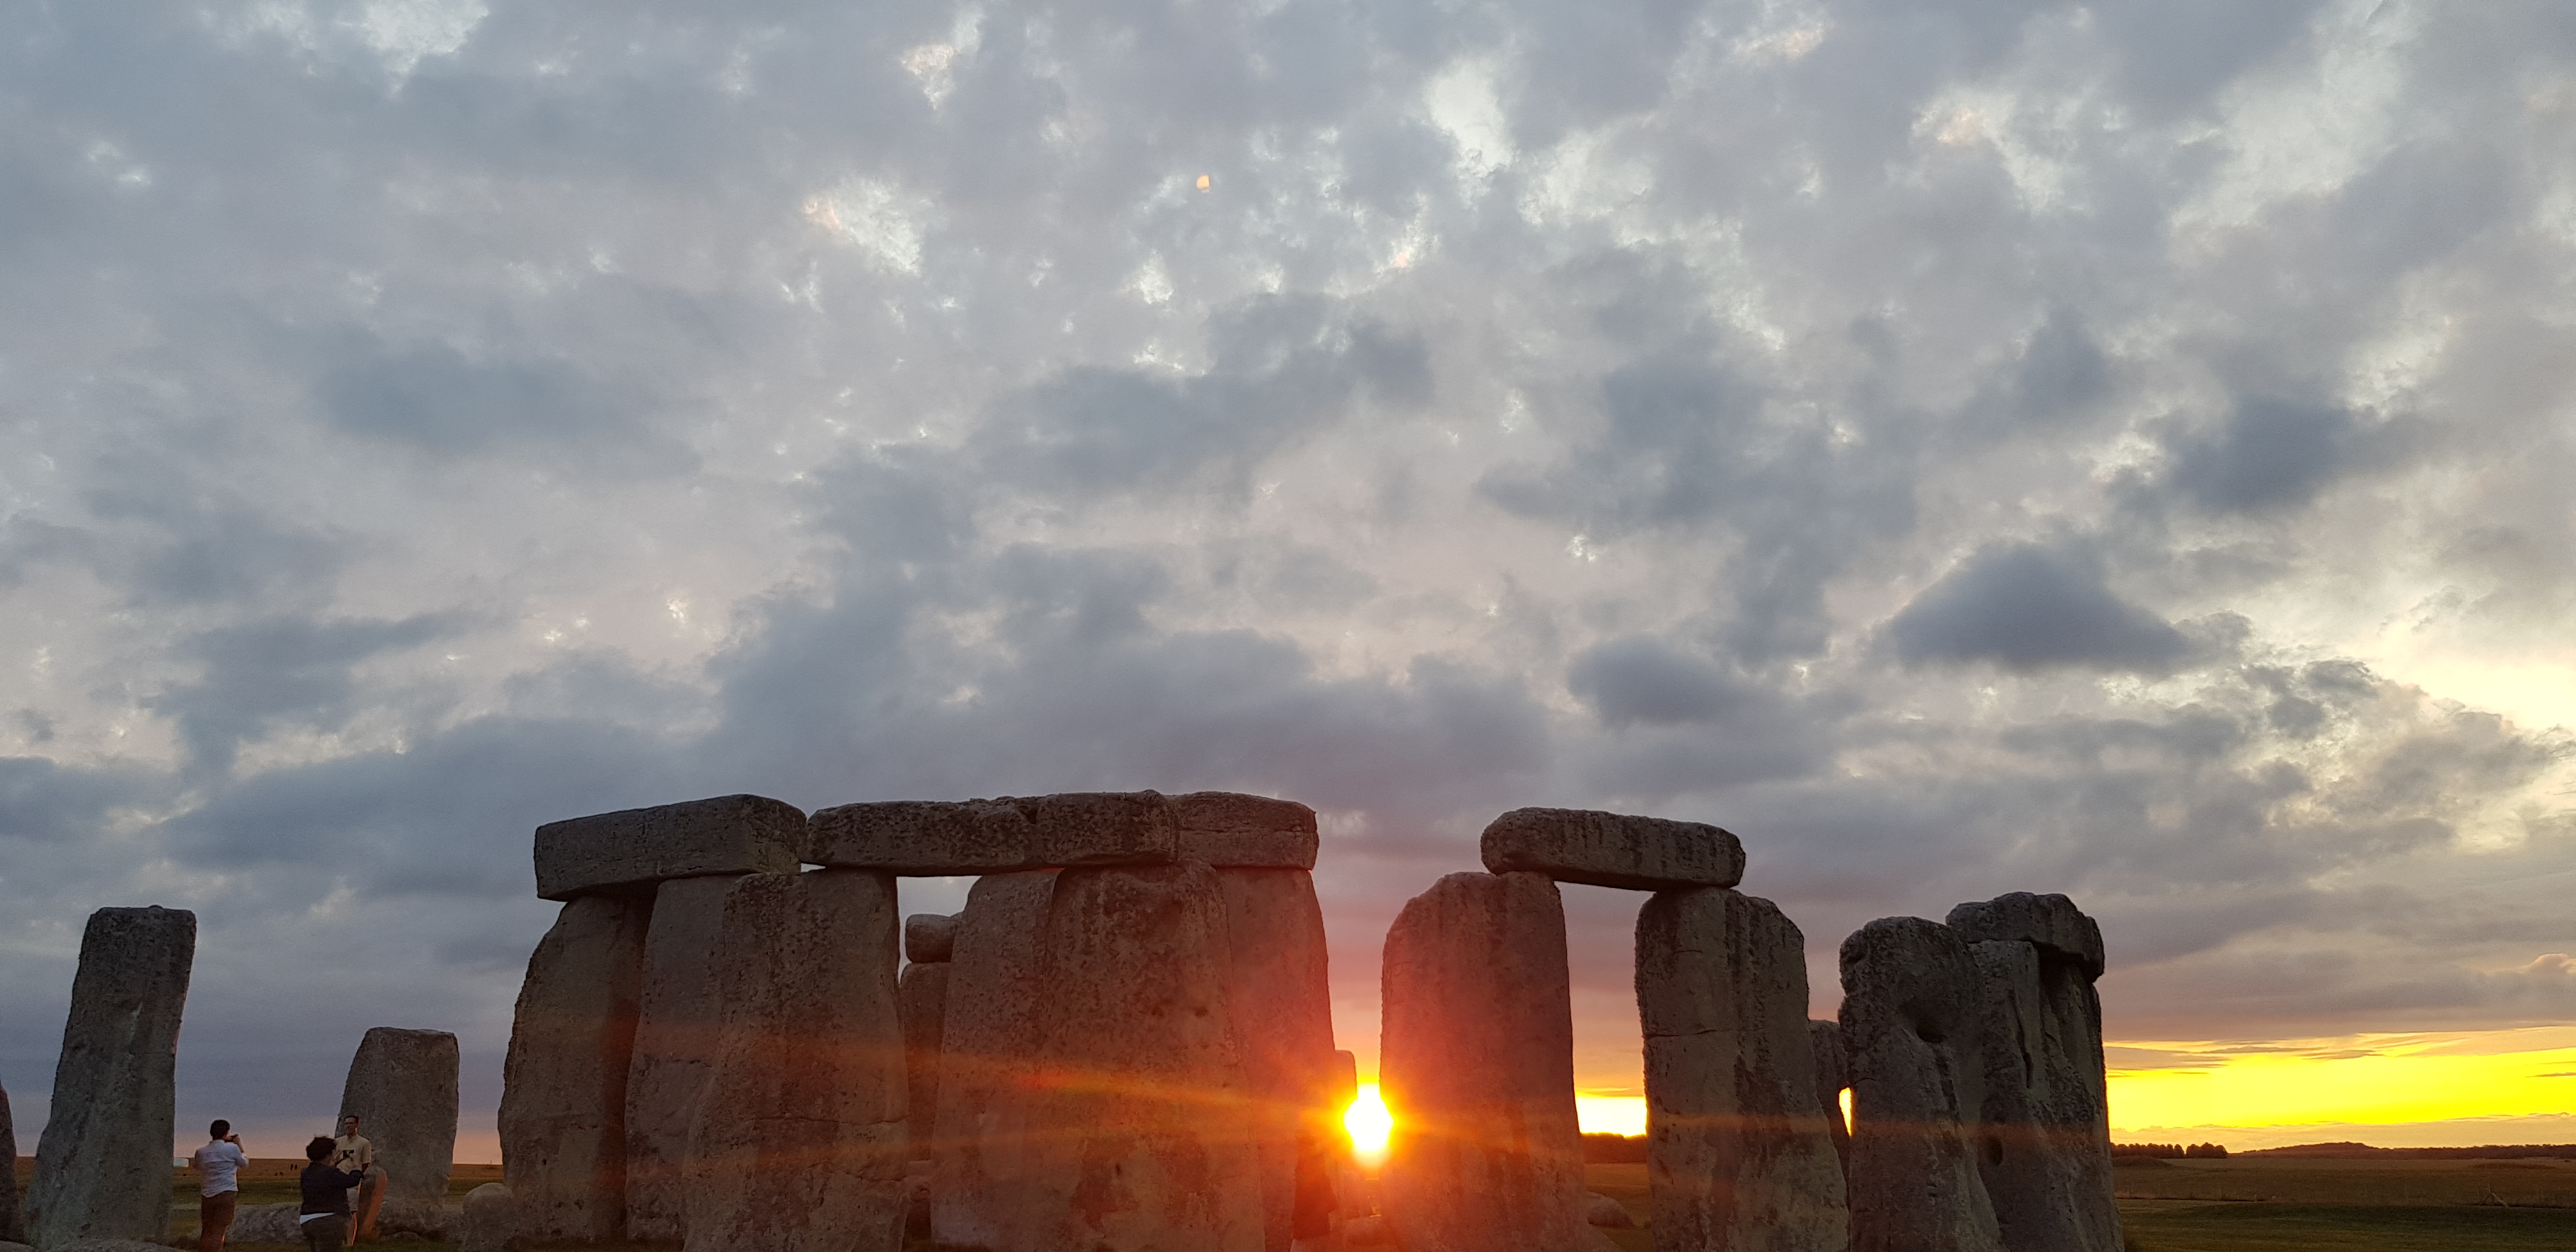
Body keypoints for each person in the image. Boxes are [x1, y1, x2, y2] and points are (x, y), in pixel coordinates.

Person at [188, 1120, 249, 1252]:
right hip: (226, 1192)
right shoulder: (232, 1149)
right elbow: (244, 1163)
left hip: (207, 1193)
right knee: (219, 1230)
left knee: (207, 1229)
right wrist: (239, 1145)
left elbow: (197, 1167)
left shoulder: (201, 1151)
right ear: (227, 1133)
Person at [298, 1135, 366, 1251]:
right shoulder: (331, 1174)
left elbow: (325, 1178)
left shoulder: (306, 1173)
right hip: (329, 1220)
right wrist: (356, 1167)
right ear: (328, 1154)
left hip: (307, 1220)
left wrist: (333, 1164)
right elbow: (351, 1181)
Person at [332, 1114, 386, 1244]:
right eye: (346, 1124)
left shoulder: (363, 1143)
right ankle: (337, 1240)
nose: (348, 1126)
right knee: (336, 1212)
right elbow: (333, 1160)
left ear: (357, 1125)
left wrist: (356, 1174)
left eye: (351, 1123)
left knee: (351, 1212)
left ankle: (350, 1243)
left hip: (352, 1182)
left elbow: (366, 1163)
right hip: (337, 1180)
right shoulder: (338, 1142)